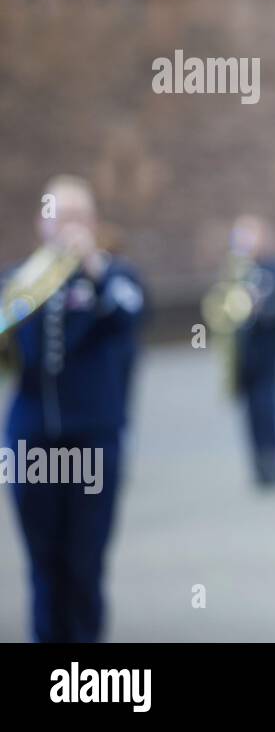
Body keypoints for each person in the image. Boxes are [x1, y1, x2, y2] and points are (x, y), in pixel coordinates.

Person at [2, 175, 146, 642]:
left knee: (84, 560)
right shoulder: (17, 280)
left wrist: (93, 268)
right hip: (31, 439)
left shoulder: (116, 277)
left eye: (77, 216)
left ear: (94, 222)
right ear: (40, 223)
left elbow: (130, 315)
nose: (67, 225)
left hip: (92, 439)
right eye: (57, 215)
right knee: (42, 560)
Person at [219, 215, 275, 489]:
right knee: (251, 413)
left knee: (270, 409)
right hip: (245, 355)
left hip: (269, 352)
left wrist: (265, 306)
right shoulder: (236, 273)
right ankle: (258, 465)